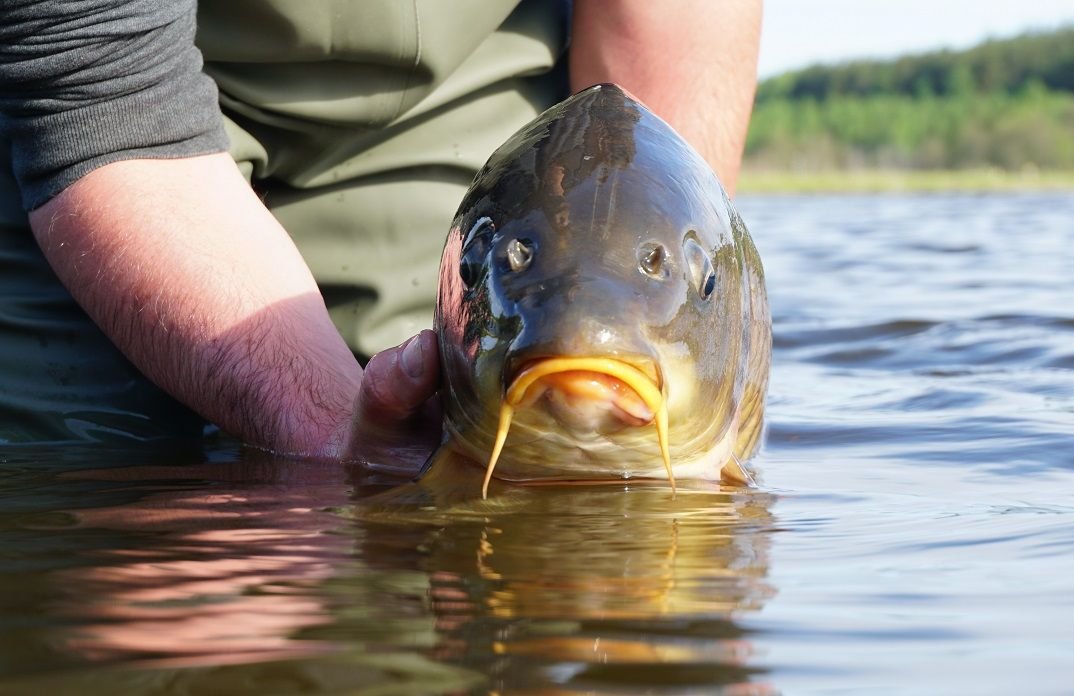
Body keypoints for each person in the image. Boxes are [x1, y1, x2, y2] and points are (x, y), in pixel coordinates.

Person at [0, 1, 761, 464]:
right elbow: (98, 87)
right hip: (98, 135)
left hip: (488, 127)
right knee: (97, 496)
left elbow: (667, 45)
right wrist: (335, 436)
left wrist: (678, 312)